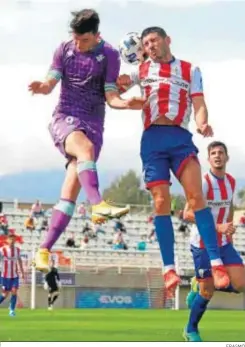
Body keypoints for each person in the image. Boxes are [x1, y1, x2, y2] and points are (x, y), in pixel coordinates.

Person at [28, 9, 145, 272]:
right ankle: (98, 205)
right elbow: (50, 81)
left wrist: (127, 104)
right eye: (75, 38)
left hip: (94, 124)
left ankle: (42, 251)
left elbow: (112, 97)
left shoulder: (111, 55)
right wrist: (42, 87)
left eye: (83, 40)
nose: (78, 44)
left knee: (68, 197)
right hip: (65, 118)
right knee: (85, 149)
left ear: (96, 35)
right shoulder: (64, 50)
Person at [116, 26, 230, 296]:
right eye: (146, 43)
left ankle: (216, 263)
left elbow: (199, 102)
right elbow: (115, 86)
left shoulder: (190, 70)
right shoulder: (141, 71)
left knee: (195, 196)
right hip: (153, 140)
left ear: (168, 40)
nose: (151, 46)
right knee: (160, 203)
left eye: (154, 40)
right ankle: (168, 268)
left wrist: (202, 123)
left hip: (180, 138)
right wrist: (114, 78)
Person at [183, 141, 245, 342]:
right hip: (202, 243)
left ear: (227, 158)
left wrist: (229, 233)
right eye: (213, 153)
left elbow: (227, 210)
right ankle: (191, 329)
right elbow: (187, 213)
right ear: (208, 159)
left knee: (241, 283)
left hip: (224, 244)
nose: (217, 156)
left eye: (221, 152)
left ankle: (198, 285)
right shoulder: (203, 182)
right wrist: (217, 227)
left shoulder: (231, 182)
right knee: (207, 291)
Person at [0, 234, 25, 316]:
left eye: (14, 240)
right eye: (11, 240)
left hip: (14, 276)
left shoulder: (17, 250)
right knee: (5, 294)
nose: (12, 241)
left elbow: (19, 261)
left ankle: (12, 310)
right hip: (4, 276)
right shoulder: (2, 250)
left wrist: (22, 272)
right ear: (7, 240)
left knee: (14, 291)